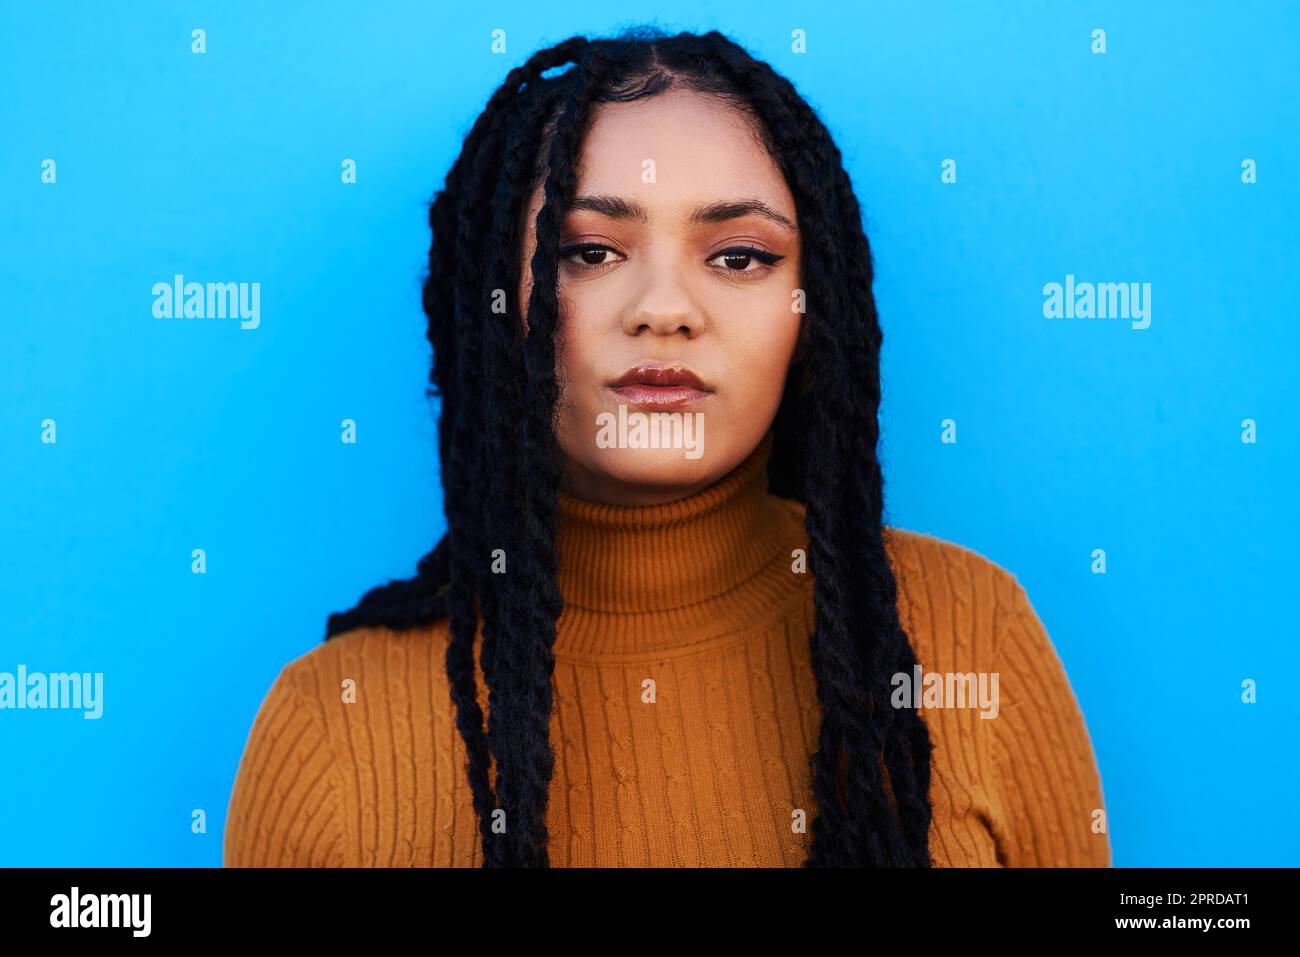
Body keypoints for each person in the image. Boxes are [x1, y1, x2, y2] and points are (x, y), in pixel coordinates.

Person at [224, 27, 1110, 868]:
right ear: (500, 304)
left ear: (815, 311)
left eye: (737, 257)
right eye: (590, 250)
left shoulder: (971, 638)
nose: (664, 308)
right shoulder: (330, 726)